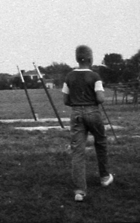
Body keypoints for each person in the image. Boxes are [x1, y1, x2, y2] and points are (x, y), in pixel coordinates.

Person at [62, 45, 114, 202]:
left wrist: (77, 103)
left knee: (78, 151)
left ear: (77, 59)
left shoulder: (69, 77)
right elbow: (100, 99)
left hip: (76, 114)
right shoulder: (95, 76)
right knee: (101, 142)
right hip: (93, 112)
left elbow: (65, 100)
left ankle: (79, 191)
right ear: (91, 59)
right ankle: (104, 177)